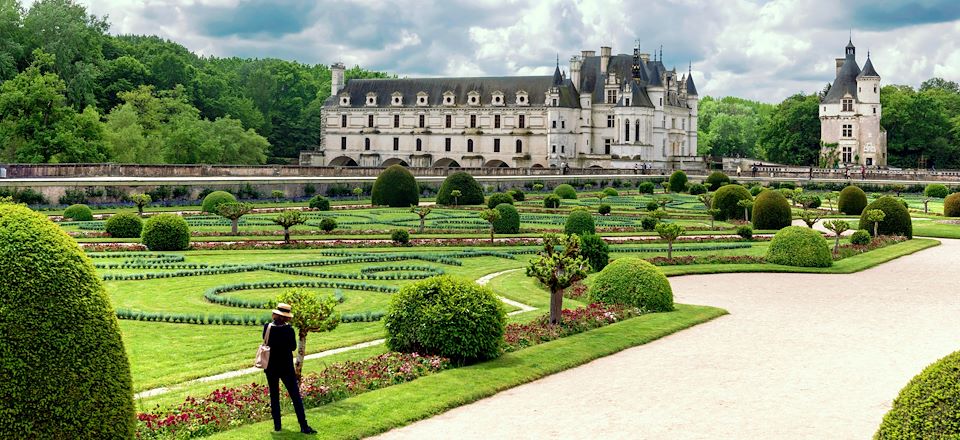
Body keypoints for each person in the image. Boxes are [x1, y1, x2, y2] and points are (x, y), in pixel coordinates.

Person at [263, 303, 316, 434]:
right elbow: (293, 347)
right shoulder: (289, 330)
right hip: (286, 367)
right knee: (295, 396)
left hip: (270, 367)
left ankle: (277, 426)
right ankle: (304, 426)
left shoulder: (267, 327)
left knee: (274, 396)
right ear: (287, 317)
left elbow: (266, 341)